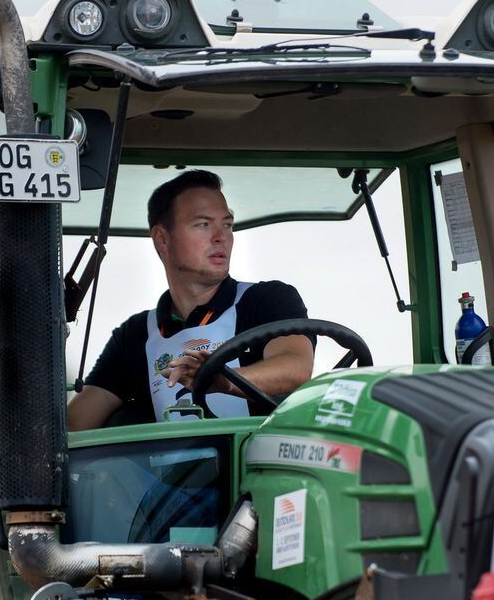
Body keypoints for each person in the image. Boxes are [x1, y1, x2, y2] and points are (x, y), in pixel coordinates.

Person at [68, 170, 314, 430]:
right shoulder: (135, 335)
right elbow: (74, 426)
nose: (221, 236)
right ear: (162, 239)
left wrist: (224, 380)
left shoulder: (267, 300)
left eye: (227, 224)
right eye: (203, 224)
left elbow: (295, 368)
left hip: (262, 468)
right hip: (175, 472)